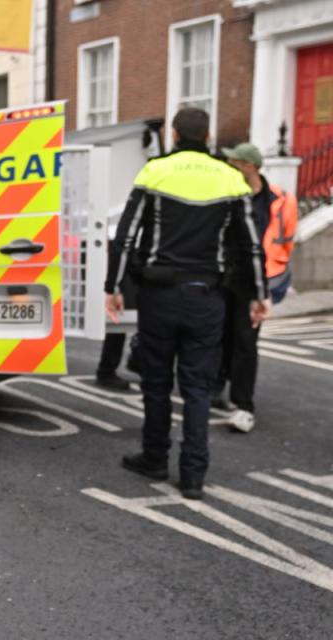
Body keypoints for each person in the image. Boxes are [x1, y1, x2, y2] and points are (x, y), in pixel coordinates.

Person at [104, 107, 270, 500]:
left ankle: (155, 457)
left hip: (159, 296)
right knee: (198, 387)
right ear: (207, 136)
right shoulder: (231, 179)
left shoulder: (155, 171)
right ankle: (193, 476)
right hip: (208, 297)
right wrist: (260, 295)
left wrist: (114, 286)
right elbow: (251, 245)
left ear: (175, 135)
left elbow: (126, 236)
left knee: (157, 382)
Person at [215, 142, 298, 432]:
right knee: (220, 335)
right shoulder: (229, 193)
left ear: (248, 166)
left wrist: (270, 280)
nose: (229, 166)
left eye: (234, 162)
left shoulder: (280, 199)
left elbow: (286, 239)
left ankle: (243, 405)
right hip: (226, 276)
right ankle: (217, 387)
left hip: (257, 280)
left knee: (246, 342)